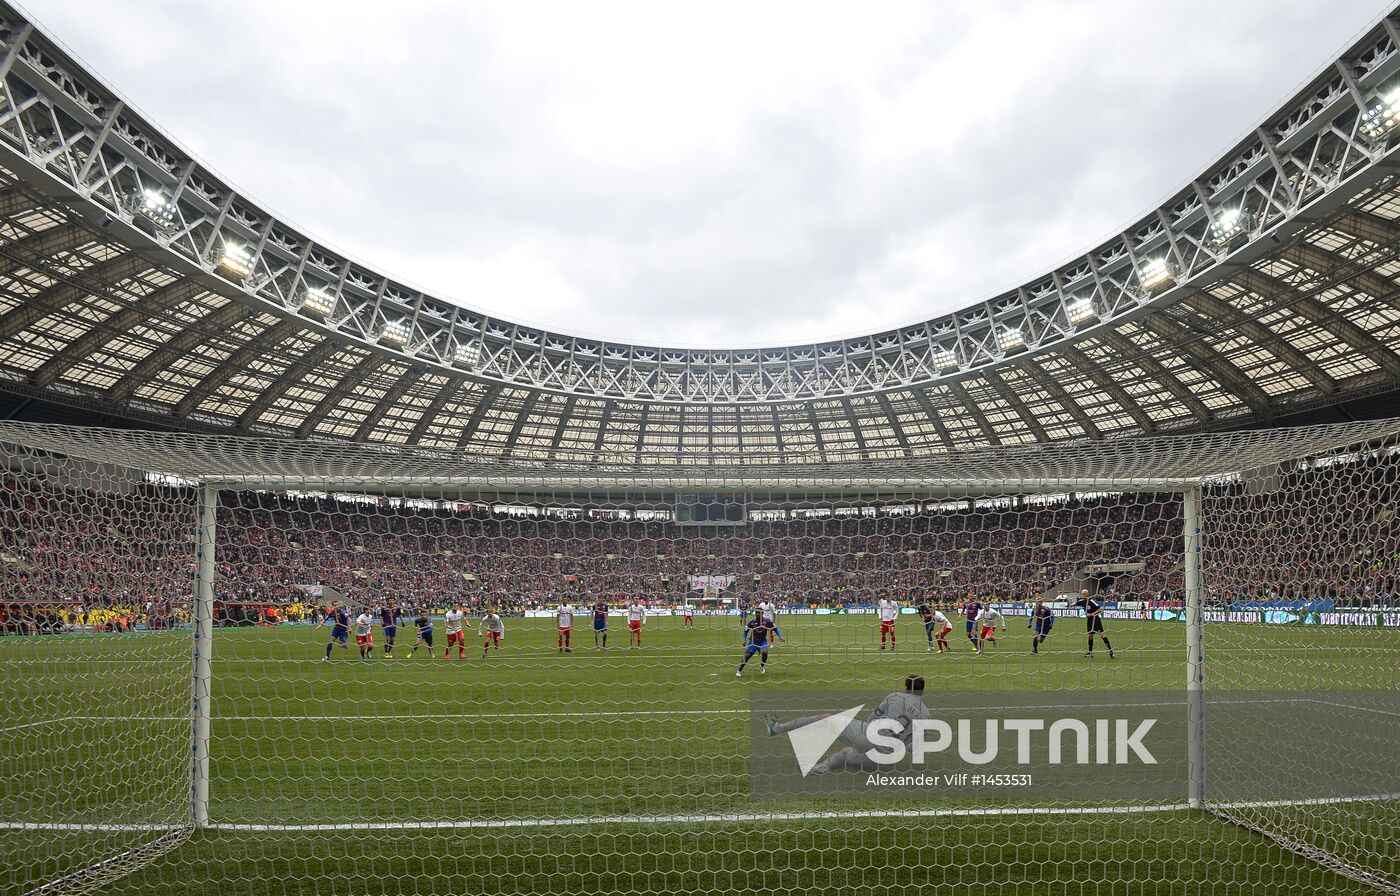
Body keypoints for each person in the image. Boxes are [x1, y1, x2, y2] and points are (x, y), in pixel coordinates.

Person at [765, 675, 929, 774]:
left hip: (869, 735)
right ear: (922, 691)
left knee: (826, 718)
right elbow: (914, 748)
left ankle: (777, 728)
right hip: (884, 758)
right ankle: (819, 768)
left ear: (906, 687)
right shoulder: (927, 716)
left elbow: (873, 717)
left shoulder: (895, 696)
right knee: (846, 753)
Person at [1073, 589, 1115, 659]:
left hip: (1096, 620)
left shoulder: (1091, 601)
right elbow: (1074, 603)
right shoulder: (1081, 602)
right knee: (1090, 636)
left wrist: (1092, 614)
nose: (1081, 595)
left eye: (1082, 594)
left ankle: (1111, 651)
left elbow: (1100, 610)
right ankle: (1090, 653)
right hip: (1089, 621)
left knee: (1102, 635)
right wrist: (1069, 604)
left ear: (1085, 594)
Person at [735, 609, 776, 677]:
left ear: (762, 613)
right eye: (756, 613)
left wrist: (780, 637)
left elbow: (775, 628)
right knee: (747, 656)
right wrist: (744, 640)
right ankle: (739, 670)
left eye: (758, 613)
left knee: (765, 652)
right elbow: (745, 631)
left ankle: (762, 666)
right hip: (753, 641)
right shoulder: (752, 622)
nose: (757, 614)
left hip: (762, 641)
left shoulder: (767, 621)